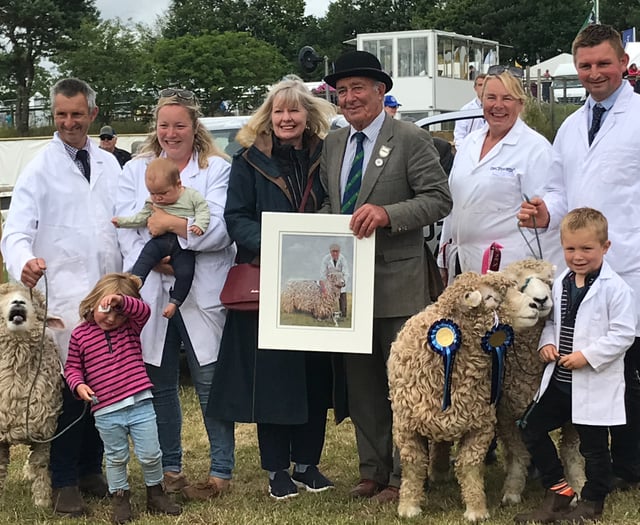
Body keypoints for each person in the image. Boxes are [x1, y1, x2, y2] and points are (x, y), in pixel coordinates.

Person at [320, 50, 452, 503]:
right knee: (363, 386)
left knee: (405, 387)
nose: (350, 97)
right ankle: (372, 470)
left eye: (359, 88)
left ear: (380, 91)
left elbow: (438, 199)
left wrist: (387, 214)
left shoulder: (411, 139)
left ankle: (405, 476)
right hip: (349, 291)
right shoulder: (333, 144)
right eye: (342, 91)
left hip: (399, 284)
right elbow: (332, 208)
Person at [206, 78, 346, 501]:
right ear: (269, 116)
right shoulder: (248, 162)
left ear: (308, 115)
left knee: (314, 376)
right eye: (279, 111)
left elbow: (335, 205)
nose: (287, 118)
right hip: (272, 278)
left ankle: (308, 464)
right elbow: (237, 217)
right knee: (275, 379)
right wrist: (277, 244)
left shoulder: (327, 154)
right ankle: (276, 470)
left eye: (295, 111)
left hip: (317, 278)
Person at [518, 23, 640, 492]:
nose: (594, 73)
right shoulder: (570, 126)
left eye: (603, 63)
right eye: (585, 65)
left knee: (628, 370)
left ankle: (629, 466)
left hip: (628, 264)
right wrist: (545, 210)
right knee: (591, 366)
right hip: (583, 267)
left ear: (624, 64)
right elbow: (560, 189)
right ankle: (600, 463)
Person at [0, 77, 123, 516]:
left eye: (76, 114)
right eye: (60, 115)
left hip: (106, 294)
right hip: (65, 298)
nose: (68, 122)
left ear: (92, 113)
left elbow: (124, 222)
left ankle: (92, 469)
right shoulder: (39, 166)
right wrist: (25, 263)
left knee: (104, 389)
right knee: (71, 392)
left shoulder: (110, 165)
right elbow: (15, 231)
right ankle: (63, 481)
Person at [115, 88, 236, 500]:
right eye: (164, 125)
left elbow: (220, 229)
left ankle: (220, 470)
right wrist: (157, 255)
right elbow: (126, 231)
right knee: (159, 384)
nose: (171, 132)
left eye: (179, 124)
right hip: (153, 292)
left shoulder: (216, 169)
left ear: (194, 126)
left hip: (201, 290)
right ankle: (171, 470)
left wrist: (169, 226)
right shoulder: (135, 170)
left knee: (209, 383)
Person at [514, 207, 636, 523]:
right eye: (570, 248)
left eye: (586, 249)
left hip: (593, 381)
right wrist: (548, 343)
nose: (578, 256)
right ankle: (560, 491)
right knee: (531, 427)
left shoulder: (616, 289)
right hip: (561, 382)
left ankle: (592, 504)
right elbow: (555, 322)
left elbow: (623, 334)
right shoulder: (562, 283)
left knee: (593, 449)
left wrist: (588, 356)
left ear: (605, 248)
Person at [64, 273, 181, 523]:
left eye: (119, 313)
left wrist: (120, 301)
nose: (112, 318)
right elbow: (72, 368)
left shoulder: (130, 326)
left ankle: (155, 494)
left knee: (151, 453)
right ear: (94, 301)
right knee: (116, 457)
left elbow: (144, 311)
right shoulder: (80, 335)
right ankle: (120, 498)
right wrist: (79, 385)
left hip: (140, 403)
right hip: (106, 410)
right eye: (106, 310)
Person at [438, 69, 562, 285]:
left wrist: (546, 214)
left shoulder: (536, 148)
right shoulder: (469, 143)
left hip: (510, 269)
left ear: (520, 104)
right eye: (491, 98)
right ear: (481, 100)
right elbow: (454, 204)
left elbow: (553, 199)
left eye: (507, 99)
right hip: (462, 263)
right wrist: (442, 257)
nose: (498, 106)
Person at [112, 157, 210, 319]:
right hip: (160, 241)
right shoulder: (151, 202)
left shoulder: (192, 196)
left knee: (186, 272)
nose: (158, 198)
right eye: (153, 193)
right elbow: (140, 218)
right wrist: (122, 222)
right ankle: (135, 282)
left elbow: (203, 210)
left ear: (178, 184)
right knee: (145, 257)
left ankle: (175, 302)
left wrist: (199, 224)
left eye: (163, 193)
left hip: (183, 245)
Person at [453, 73, 487, 149]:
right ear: (475, 88)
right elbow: (459, 137)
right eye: (480, 85)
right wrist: (464, 154)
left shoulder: (497, 108)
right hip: (471, 150)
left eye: (486, 85)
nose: (483, 88)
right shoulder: (466, 110)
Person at [320, 243, 350, 318]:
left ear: (339, 251)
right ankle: (327, 313)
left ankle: (343, 315)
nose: (335, 253)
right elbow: (323, 272)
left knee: (342, 295)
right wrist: (325, 284)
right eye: (333, 251)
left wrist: (343, 282)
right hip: (330, 282)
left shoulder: (343, 259)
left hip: (340, 281)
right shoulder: (326, 259)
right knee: (328, 298)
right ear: (330, 252)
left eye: (337, 251)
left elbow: (346, 272)